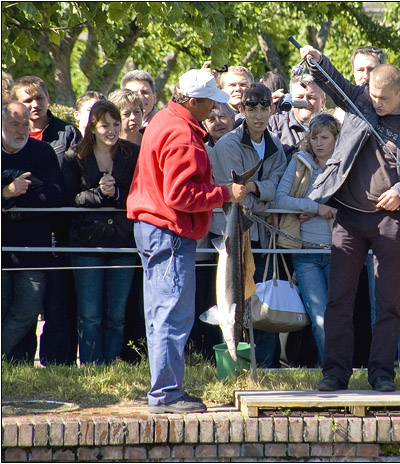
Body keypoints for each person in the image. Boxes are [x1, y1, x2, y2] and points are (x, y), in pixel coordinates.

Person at [299, 45, 400, 392]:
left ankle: (382, 372)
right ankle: (334, 372)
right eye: (372, 95)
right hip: (348, 217)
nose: (376, 102)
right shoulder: (361, 101)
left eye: (383, 97)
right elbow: (334, 83)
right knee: (339, 299)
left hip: (389, 220)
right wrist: (318, 61)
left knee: (389, 302)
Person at [127, 69, 245, 413]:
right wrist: (226, 194)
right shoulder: (181, 134)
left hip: (154, 226)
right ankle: (165, 394)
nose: (214, 108)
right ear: (193, 101)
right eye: (209, 101)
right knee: (172, 316)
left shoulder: (165, 119)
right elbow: (180, 195)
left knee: (159, 314)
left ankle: (165, 389)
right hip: (170, 230)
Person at [209, 83, 288, 368]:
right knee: (232, 304)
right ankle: (231, 363)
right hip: (231, 236)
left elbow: (276, 188)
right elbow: (234, 195)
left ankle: (264, 364)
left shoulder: (276, 145)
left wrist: (255, 187)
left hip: (263, 236)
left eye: (263, 107)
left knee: (262, 299)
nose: (258, 114)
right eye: (251, 107)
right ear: (241, 109)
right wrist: (256, 193)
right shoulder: (227, 144)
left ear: (271, 109)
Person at [11, 76, 82, 365]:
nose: (35, 104)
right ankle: (16, 362)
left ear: (48, 98)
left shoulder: (67, 133)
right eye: (27, 100)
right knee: (19, 305)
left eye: (39, 97)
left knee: (57, 305)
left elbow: (67, 186)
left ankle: (58, 365)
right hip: (19, 234)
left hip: (60, 230)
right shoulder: (7, 138)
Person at [62, 101, 139, 364]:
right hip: (86, 243)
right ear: (93, 127)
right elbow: (68, 198)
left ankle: (113, 364)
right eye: (105, 125)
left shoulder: (132, 153)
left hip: (123, 243)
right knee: (90, 314)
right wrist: (98, 194)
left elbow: (141, 195)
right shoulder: (74, 156)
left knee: (116, 314)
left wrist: (116, 193)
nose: (112, 130)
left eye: (116, 124)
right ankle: (93, 367)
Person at [273, 113, 340, 365]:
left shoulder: (344, 166)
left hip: (339, 251)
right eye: (314, 137)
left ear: (336, 139)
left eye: (325, 137)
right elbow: (280, 199)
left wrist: (327, 209)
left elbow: (355, 204)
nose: (319, 143)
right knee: (319, 317)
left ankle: (339, 368)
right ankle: (329, 370)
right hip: (306, 252)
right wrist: (315, 207)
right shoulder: (299, 162)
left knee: (338, 316)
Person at [1, 102, 64, 357]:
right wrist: (7, 192)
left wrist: (15, 202)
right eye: (14, 124)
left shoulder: (43, 152)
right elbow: (39, 193)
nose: (21, 130)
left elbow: (56, 195)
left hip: (33, 249)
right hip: (3, 249)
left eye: (25, 124)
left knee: (27, 312)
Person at [268, 74, 327, 159]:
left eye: (311, 97)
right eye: (299, 97)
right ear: (291, 100)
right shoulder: (273, 125)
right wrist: (264, 110)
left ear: (323, 102)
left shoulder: (333, 129)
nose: (305, 102)